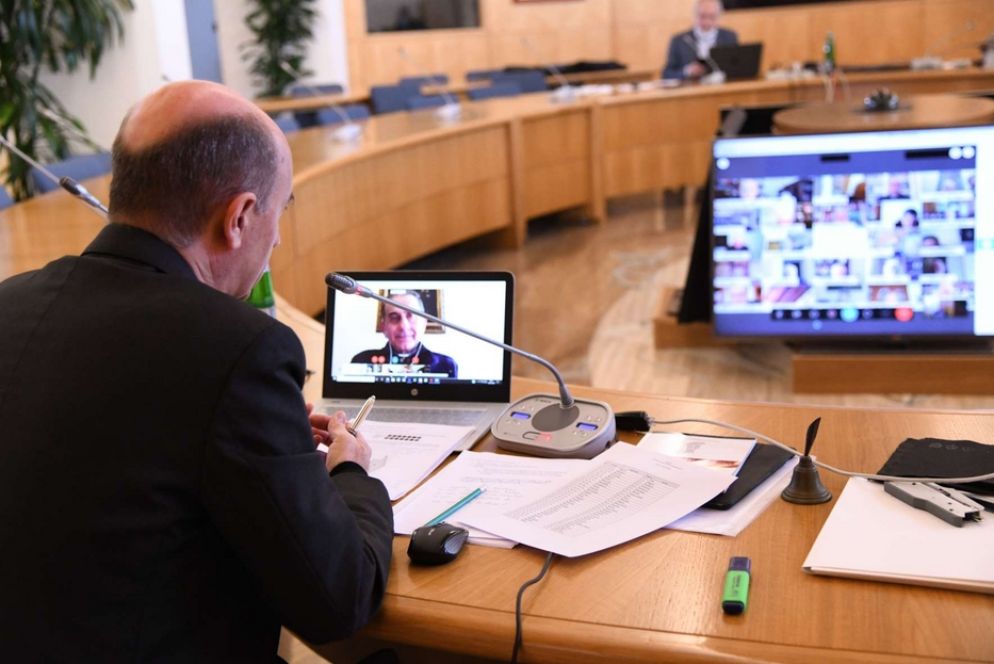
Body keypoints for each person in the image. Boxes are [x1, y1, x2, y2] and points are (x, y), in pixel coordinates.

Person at [0, 81, 393, 661]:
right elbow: (339, 600)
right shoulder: (239, 349)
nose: (278, 238)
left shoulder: (10, 302)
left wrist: (263, 434)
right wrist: (352, 475)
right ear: (237, 217)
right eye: (278, 213)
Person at [351, 291, 458, 377]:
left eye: (411, 316)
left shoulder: (445, 364)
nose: (403, 326)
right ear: (383, 326)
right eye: (394, 317)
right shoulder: (361, 361)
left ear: (424, 323)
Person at [662, 0, 739, 80]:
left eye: (712, 17)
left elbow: (737, 68)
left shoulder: (729, 37)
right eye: (702, 16)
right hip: (691, 89)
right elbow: (666, 74)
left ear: (719, 17)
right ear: (694, 16)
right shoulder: (679, 41)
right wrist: (687, 71)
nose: (707, 22)